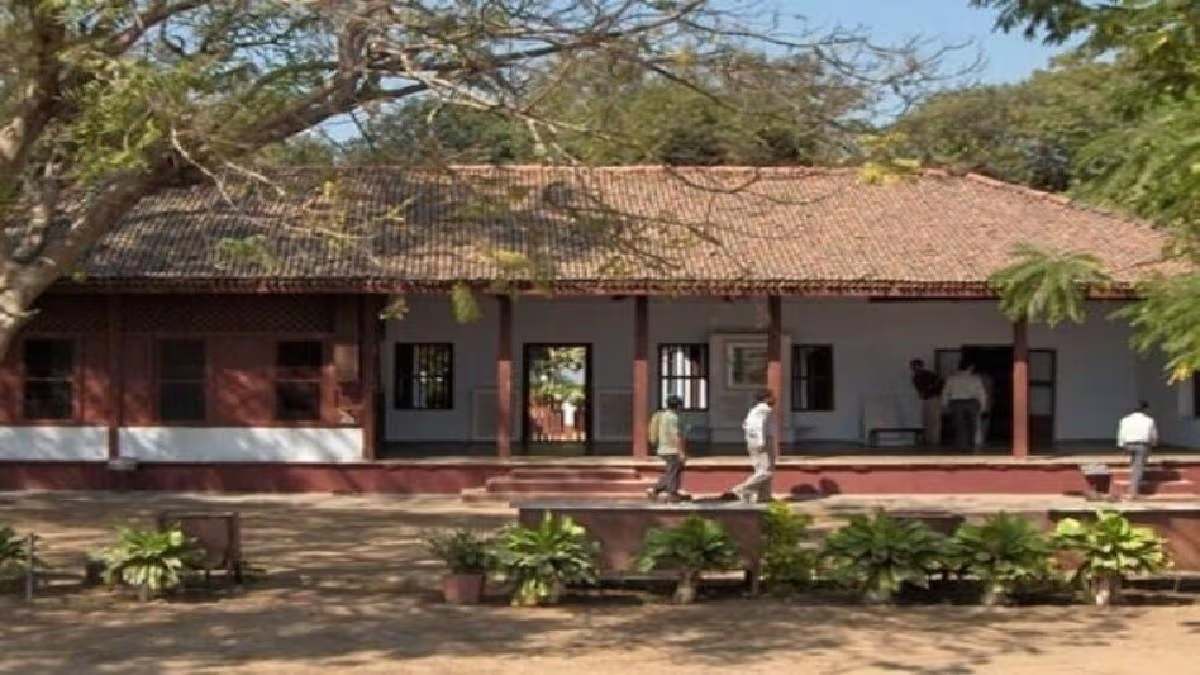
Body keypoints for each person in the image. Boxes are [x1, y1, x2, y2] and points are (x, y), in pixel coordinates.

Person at [729, 390, 776, 503]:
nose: (774, 399)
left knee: (761, 469)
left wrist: (752, 439)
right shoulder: (764, 409)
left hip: (752, 442)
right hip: (763, 441)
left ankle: (764, 497)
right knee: (766, 471)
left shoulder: (753, 410)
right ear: (766, 398)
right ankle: (742, 488)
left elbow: (745, 425)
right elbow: (760, 426)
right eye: (772, 397)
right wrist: (761, 441)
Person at [941, 360, 988, 451]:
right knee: (973, 425)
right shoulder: (975, 378)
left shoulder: (952, 378)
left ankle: (961, 445)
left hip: (956, 403)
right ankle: (970, 444)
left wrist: (944, 404)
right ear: (970, 367)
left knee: (959, 425)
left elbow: (945, 392)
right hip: (972, 403)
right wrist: (983, 406)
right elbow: (981, 393)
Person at [647, 396, 686, 501]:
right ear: (677, 406)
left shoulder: (662, 415)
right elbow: (677, 435)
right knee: (673, 471)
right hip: (671, 449)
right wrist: (681, 452)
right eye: (680, 405)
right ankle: (671, 493)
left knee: (671, 470)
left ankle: (656, 490)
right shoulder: (674, 418)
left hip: (662, 448)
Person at [1117, 401, 1158, 499]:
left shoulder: (1125, 420)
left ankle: (1133, 483)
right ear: (1144, 409)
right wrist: (1153, 444)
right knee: (1138, 468)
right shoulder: (1149, 420)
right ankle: (1133, 492)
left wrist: (1121, 445)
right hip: (1142, 445)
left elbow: (1121, 433)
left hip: (1128, 444)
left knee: (1134, 464)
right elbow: (1153, 435)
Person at [909, 359, 943, 447]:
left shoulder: (929, 374)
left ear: (921, 366)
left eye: (915, 366)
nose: (913, 368)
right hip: (926, 399)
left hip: (933, 398)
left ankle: (935, 441)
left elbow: (940, 383)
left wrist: (930, 389)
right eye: (912, 366)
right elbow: (920, 390)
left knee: (934, 421)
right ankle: (928, 440)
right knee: (926, 421)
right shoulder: (915, 377)